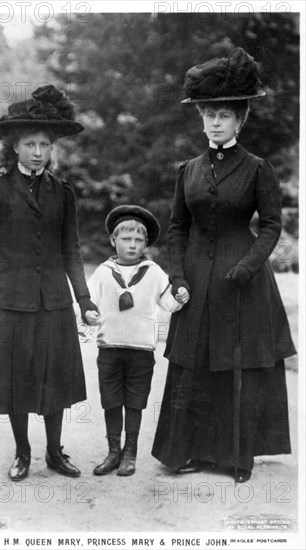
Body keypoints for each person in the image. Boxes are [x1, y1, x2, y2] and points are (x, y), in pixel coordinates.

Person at [151, 48, 297, 483]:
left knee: (235, 364)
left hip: (242, 282)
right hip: (195, 279)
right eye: (208, 115)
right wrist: (177, 275)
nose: (215, 122)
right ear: (201, 119)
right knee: (195, 362)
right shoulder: (188, 171)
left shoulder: (257, 169)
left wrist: (248, 266)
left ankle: (235, 456)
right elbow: (177, 228)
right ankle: (191, 451)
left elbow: (271, 226)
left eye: (224, 115)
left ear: (240, 120)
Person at [0, 84, 98, 481]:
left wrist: (84, 300)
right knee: (16, 381)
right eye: (30, 144)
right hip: (11, 303)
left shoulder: (63, 193)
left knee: (55, 380)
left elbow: (71, 249)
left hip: (54, 303)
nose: (38, 152)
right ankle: (23, 452)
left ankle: (55, 452)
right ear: (14, 148)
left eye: (44, 145)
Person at [85, 205, 186, 476]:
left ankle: (130, 452)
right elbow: (87, 302)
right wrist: (88, 314)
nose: (132, 245)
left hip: (141, 350)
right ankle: (113, 452)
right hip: (110, 349)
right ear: (113, 241)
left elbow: (168, 303)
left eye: (139, 240)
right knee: (111, 401)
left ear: (146, 243)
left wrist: (180, 298)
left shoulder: (153, 272)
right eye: (126, 239)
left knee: (135, 402)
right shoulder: (103, 272)